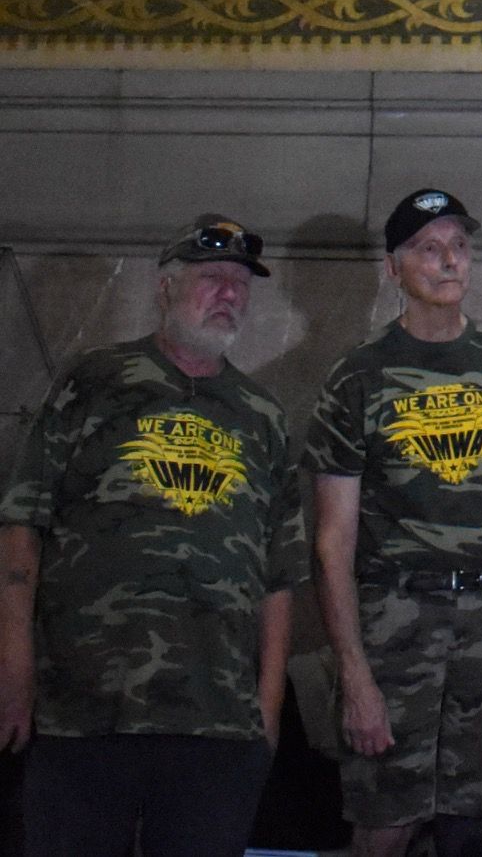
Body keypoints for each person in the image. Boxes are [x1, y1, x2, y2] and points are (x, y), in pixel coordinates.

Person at [0, 218, 302, 857]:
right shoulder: (94, 381)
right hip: (85, 708)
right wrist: (15, 671)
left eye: (240, 284)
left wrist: (267, 712)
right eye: (212, 278)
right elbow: (22, 526)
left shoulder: (263, 415)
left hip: (216, 717)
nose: (229, 294)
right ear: (165, 287)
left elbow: (280, 577)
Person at [304, 189, 482, 857]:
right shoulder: (357, 377)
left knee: (478, 824)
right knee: (385, 819)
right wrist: (354, 676)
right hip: (397, 626)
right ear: (395, 268)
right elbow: (332, 540)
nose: (449, 262)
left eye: (459, 246)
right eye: (428, 248)